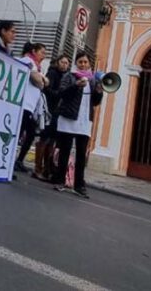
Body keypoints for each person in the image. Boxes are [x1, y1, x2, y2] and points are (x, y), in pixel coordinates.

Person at [52, 51, 104, 198]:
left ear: (89, 64)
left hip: (84, 120)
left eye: (85, 62)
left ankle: (79, 185)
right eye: (80, 62)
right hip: (68, 118)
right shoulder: (69, 76)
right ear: (76, 63)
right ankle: (60, 180)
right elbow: (62, 93)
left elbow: (95, 102)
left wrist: (99, 92)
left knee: (81, 154)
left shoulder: (93, 80)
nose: (83, 64)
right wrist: (75, 85)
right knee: (65, 151)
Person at [35, 54, 70, 181]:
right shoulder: (52, 73)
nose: (64, 65)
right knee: (44, 138)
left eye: (66, 63)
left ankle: (46, 169)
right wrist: (58, 94)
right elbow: (47, 89)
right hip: (48, 109)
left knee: (52, 141)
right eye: (62, 62)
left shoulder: (66, 76)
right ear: (57, 62)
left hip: (57, 112)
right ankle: (38, 168)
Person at [14, 42, 48, 173]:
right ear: (34, 51)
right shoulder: (28, 60)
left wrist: (42, 80)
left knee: (30, 134)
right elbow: (38, 81)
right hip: (24, 104)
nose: (44, 56)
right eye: (42, 52)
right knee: (20, 132)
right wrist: (41, 80)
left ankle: (19, 160)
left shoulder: (38, 67)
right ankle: (12, 161)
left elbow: (44, 82)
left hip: (31, 107)